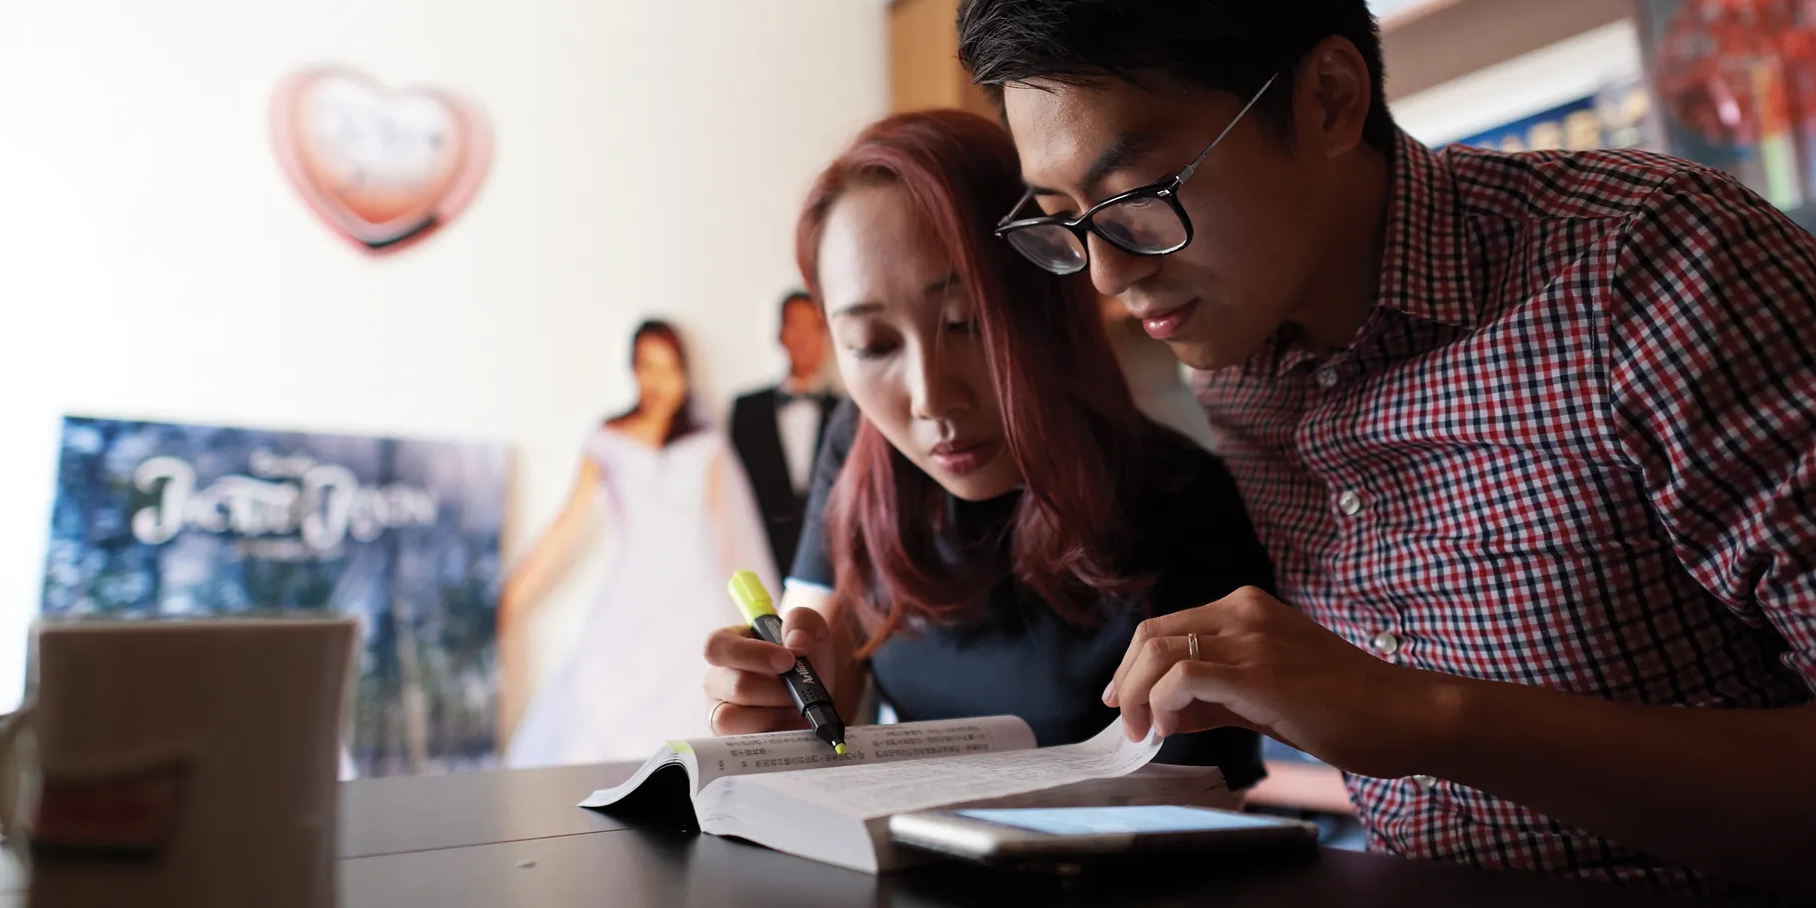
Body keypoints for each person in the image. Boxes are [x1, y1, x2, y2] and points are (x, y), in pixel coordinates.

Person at [956, 0, 1816, 895]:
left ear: (1330, 99)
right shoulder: (1232, 360)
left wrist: (1421, 714)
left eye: (1140, 192)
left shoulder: (1653, 267)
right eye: (1063, 224)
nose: (1107, 273)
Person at [699, 111, 1272, 788]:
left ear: (1050, 299)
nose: (931, 398)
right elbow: (829, 658)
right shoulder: (859, 444)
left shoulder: (1182, 501)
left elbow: (1204, 811)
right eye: (874, 345)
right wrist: (785, 698)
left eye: (965, 323)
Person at [500, 319, 777, 766]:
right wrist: (509, 599)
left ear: (684, 374)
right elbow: (567, 524)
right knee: (598, 705)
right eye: (648, 366)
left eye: (669, 368)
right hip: (631, 597)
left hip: (697, 598)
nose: (658, 381)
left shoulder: (706, 445)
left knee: (698, 714)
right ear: (633, 370)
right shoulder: (608, 438)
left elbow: (731, 538)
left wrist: (765, 624)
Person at [729, 293, 840, 579]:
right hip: (760, 554)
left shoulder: (848, 411)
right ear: (780, 335)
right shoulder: (747, 410)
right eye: (795, 326)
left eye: (813, 327)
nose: (804, 338)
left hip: (832, 558)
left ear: (826, 336)